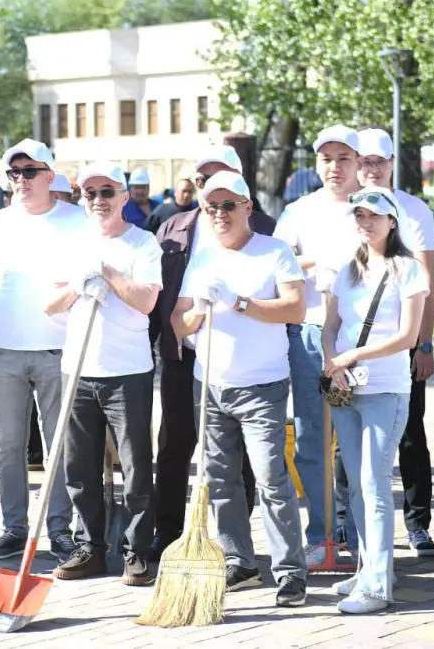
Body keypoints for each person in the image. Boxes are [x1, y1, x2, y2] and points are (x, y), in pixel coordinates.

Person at [172, 171, 308, 606]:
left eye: (228, 205)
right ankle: (240, 561)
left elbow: (296, 308)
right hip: (210, 384)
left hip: (262, 385)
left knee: (271, 479)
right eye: (211, 207)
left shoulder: (274, 251)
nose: (219, 214)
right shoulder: (203, 258)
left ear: (248, 207)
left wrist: (240, 302)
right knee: (221, 480)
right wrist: (199, 313)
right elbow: (179, 323)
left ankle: (289, 570)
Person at [0, 138, 86, 562]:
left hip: (59, 348)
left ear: (50, 176)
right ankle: (13, 528)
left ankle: (59, 530)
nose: (20, 180)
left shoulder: (78, 220)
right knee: (10, 446)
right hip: (6, 351)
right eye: (13, 173)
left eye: (29, 172)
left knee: (60, 445)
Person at [149, 144, 269, 561]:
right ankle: (166, 535)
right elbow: (160, 293)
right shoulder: (173, 226)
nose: (211, 193)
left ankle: (234, 543)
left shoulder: (265, 227)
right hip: (184, 354)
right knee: (175, 442)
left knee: (239, 456)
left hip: (241, 361)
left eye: (220, 181)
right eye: (202, 182)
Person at [46, 163, 161, 586]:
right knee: (80, 467)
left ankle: (135, 551)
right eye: (91, 192)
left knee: (134, 468)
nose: (99, 199)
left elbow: (148, 301)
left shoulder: (142, 243)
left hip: (127, 371)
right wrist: (79, 285)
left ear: (124, 196)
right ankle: (90, 548)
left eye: (107, 191)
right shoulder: (72, 243)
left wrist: (109, 275)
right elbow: (51, 304)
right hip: (78, 369)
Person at [321, 187, 428, 613]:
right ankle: (369, 569)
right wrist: (334, 362)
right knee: (355, 487)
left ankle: (379, 588)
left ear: (392, 221)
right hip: (345, 387)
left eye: (374, 215)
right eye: (359, 215)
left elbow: (408, 337)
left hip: (386, 388)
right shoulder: (345, 270)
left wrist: (353, 355)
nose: (365, 223)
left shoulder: (408, 269)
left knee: (374, 484)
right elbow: (329, 325)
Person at [274, 124, 363, 565]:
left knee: (359, 439)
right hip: (309, 335)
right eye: (327, 159)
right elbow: (280, 263)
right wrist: (320, 260)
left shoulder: (372, 207)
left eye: (343, 158)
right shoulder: (298, 211)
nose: (335, 167)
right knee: (313, 438)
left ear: (358, 162)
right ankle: (321, 536)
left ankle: (362, 537)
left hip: (362, 338)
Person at [356, 129, 434, 556]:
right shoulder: (349, 211)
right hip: (355, 347)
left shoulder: (413, 209)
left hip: (404, 343)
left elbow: (425, 282)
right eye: (365, 161)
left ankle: (417, 522)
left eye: (379, 161)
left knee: (410, 433)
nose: (371, 169)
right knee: (350, 440)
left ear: (392, 163)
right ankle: (352, 526)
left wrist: (424, 345)